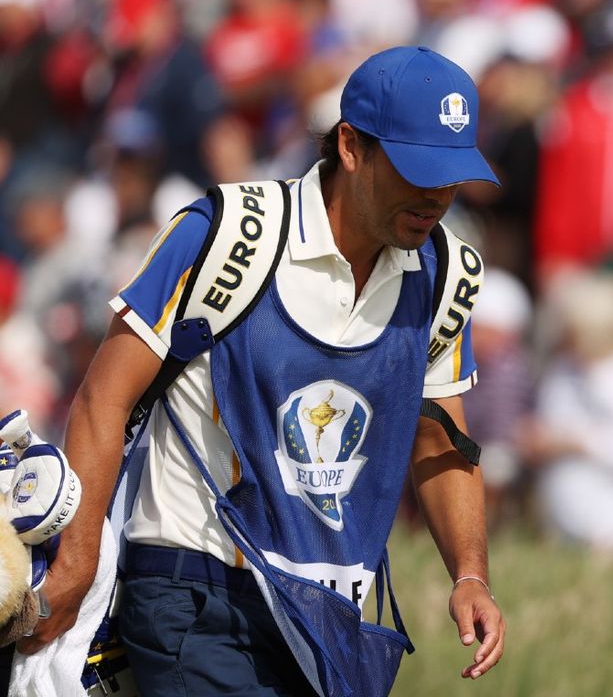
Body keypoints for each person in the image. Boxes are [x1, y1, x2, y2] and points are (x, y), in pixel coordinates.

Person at [17, 46, 506, 695]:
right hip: (193, 587)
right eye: (418, 171)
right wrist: (77, 562)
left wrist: (470, 575)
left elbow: (437, 439)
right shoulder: (223, 233)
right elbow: (102, 398)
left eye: (451, 175)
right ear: (351, 146)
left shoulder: (446, 275)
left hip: (327, 613)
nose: (438, 195)